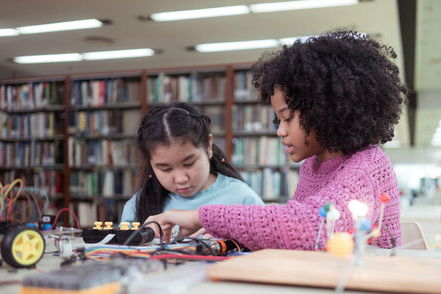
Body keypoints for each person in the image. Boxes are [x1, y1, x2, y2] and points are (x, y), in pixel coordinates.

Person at [145, 30, 407, 250]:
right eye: (277, 120)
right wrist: (223, 235)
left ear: (326, 110)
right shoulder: (312, 167)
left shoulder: (367, 165)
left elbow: (309, 227)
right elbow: (288, 237)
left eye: (288, 118)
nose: (280, 131)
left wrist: (201, 215)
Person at [121, 102, 264, 224]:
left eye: (189, 164)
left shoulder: (242, 198)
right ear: (150, 164)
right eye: (166, 169)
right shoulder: (136, 207)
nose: (181, 179)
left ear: (208, 146)